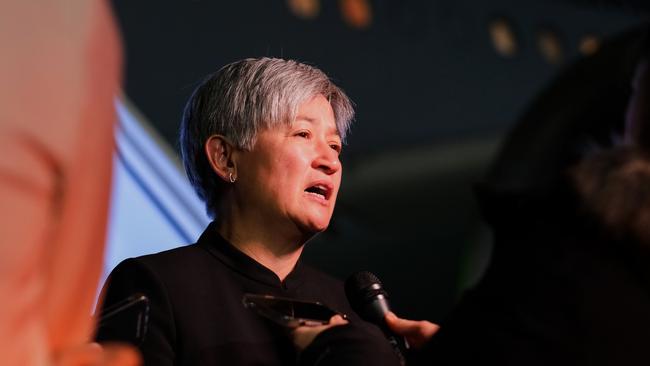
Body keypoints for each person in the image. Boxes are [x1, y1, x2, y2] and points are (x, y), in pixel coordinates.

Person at [95, 57, 399, 366]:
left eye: (334, 146)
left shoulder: (351, 309)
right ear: (225, 158)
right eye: (303, 135)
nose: (330, 162)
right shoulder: (156, 286)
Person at [0, 0, 140, 365]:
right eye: (301, 133)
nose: (314, 156)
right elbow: (62, 329)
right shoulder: (70, 26)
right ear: (223, 156)